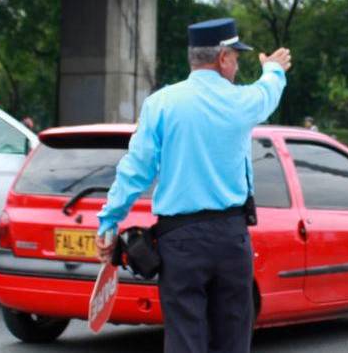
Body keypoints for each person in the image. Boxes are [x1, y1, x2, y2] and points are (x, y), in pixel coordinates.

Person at [95, 18, 291, 353]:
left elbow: (135, 171)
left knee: (185, 338)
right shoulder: (240, 102)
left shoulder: (161, 104)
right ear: (223, 57)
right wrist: (273, 69)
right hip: (232, 237)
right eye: (236, 58)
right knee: (232, 338)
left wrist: (109, 221)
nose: (237, 66)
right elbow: (268, 92)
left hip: (179, 242)